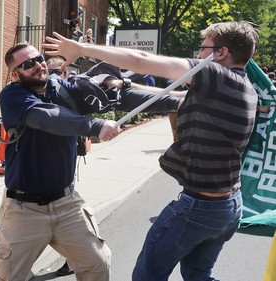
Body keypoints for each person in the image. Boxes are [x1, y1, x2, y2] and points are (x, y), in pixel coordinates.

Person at [43, 20, 259, 280]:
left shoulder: (215, 75)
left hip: (200, 206)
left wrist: (82, 49)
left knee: (147, 275)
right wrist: (126, 87)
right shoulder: (243, 87)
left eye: (203, 48)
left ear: (220, 53)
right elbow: (173, 97)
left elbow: (141, 59)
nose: (198, 55)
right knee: (198, 274)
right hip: (229, 206)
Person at [0, 42, 121, 281]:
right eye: (28, 64)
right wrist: (96, 126)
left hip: (66, 203)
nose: (38, 65)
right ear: (15, 74)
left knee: (97, 264)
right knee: (6, 277)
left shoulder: (61, 88)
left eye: (38, 58)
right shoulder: (12, 96)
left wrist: (178, 100)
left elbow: (112, 93)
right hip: (24, 209)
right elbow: (47, 117)